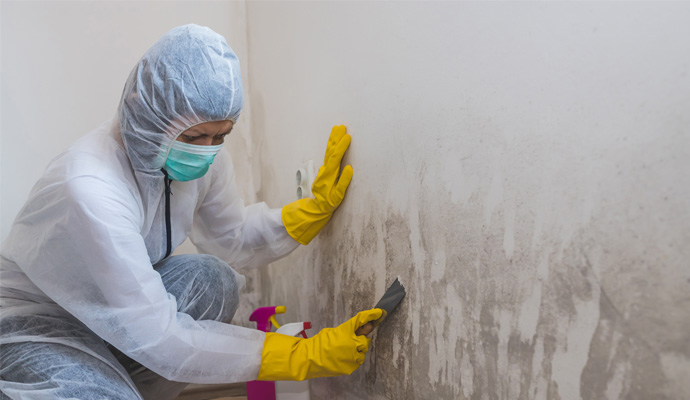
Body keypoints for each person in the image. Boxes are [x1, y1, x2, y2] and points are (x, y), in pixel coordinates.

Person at [0, 24, 381, 400]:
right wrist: (300, 355)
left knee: (214, 279)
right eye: (195, 137)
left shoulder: (202, 158)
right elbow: (159, 337)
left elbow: (232, 236)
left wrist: (307, 214)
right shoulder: (90, 188)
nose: (208, 150)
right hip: (41, 325)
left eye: (221, 136)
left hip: (114, 319)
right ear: (141, 110)